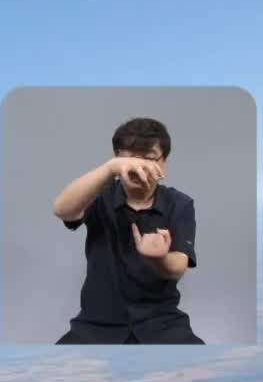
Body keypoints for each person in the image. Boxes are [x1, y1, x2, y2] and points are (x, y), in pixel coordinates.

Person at [49, 116, 202, 344]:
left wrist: (159, 259)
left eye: (148, 159)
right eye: (128, 158)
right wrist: (110, 169)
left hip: (161, 323)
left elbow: (178, 267)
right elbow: (63, 210)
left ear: (163, 162)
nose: (137, 167)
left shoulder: (179, 204)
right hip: (95, 325)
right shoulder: (99, 194)